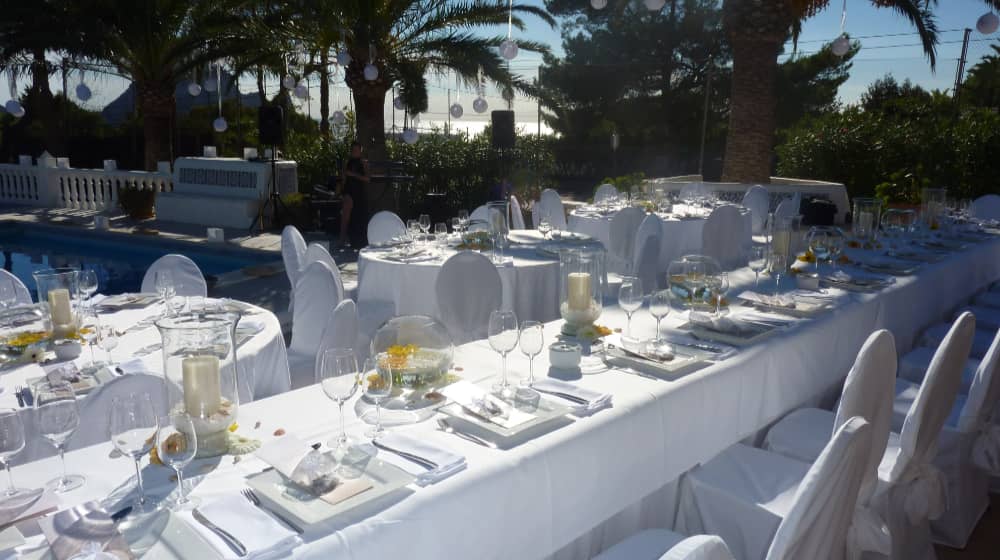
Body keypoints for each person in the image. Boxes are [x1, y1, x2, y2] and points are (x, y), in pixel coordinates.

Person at [339, 141, 370, 247]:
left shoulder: (364, 163)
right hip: (349, 190)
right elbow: (343, 179)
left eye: (357, 150)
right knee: (347, 207)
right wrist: (341, 191)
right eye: (353, 150)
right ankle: (342, 238)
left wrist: (353, 174)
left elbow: (367, 179)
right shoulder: (347, 162)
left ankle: (353, 238)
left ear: (360, 151)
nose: (354, 152)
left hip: (359, 190)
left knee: (356, 210)